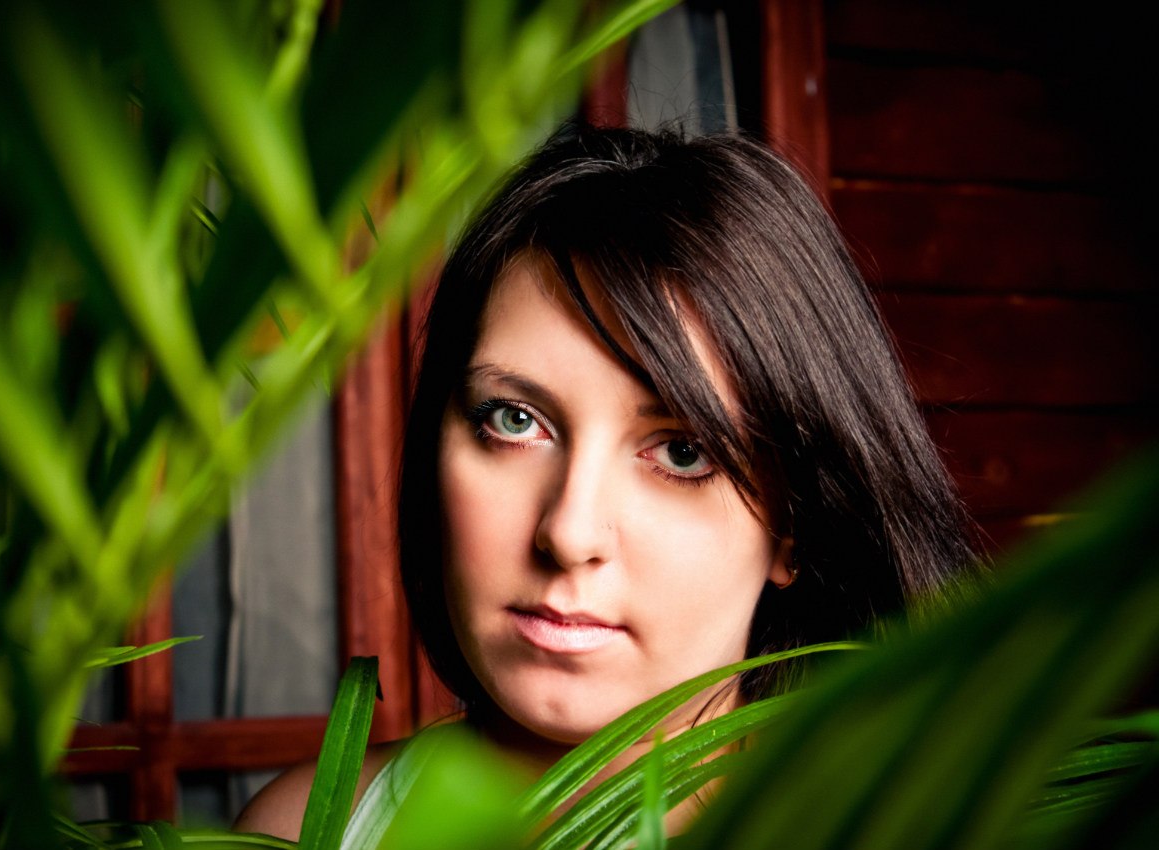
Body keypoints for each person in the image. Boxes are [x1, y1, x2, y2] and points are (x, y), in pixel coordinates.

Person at [236, 125, 980, 840]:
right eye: (515, 420)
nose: (569, 532)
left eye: (682, 453)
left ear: (794, 522)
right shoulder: (303, 832)